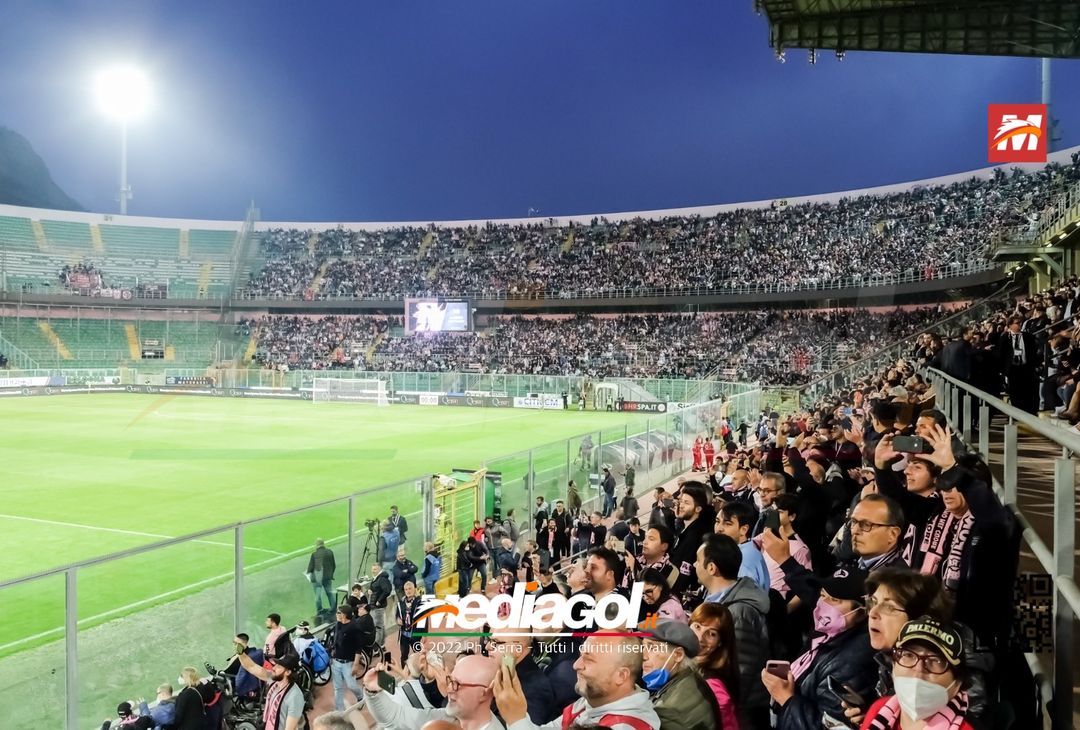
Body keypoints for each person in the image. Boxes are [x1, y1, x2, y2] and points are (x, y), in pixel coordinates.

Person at [761, 567, 877, 730]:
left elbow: (826, 726)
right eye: (823, 595)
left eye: (835, 599)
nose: (824, 604)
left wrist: (787, 699)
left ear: (863, 610)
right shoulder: (827, 635)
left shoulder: (853, 662)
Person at [492, 634, 662, 729]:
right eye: (581, 655)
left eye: (588, 659)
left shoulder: (626, 727)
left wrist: (516, 719)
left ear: (621, 676)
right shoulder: (591, 701)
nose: (575, 665)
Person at [695, 534, 770, 730]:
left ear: (711, 568)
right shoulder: (716, 603)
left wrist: (720, 710)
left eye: (698, 560)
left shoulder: (738, 611)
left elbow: (740, 671)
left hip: (741, 714)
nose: (695, 565)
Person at [859, 618, 976, 729]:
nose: (918, 669)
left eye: (936, 660)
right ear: (893, 665)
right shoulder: (878, 709)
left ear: (957, 684)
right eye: (908, 655)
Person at [364, 653, 503, 730]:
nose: (449, 689)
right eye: (450, 680)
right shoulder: (446, 717)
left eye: (457, 684)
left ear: (485, 692)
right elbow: (394, 717)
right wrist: (373, 691)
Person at [642, 620, 721, 730]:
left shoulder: (669, 712)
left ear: (678, 655)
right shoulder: (691, 677)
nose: (643, 656)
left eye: (653, 648)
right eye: (643, 647)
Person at [486, 630, 557, 724]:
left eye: (496, 642)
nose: (488, 647)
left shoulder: (535, 690)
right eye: (489, 640)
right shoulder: (507, 672)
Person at [690, 603, 742, 730]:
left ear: (720, 642)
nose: (700, 638)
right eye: (697, 626)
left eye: (712, 634)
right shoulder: (687, 661)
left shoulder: (713, 684)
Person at [236, 651, 306, 730]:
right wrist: (240, 652)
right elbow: (251, 667)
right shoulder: (274, 680)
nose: (273, 668)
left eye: (279, 666)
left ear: (288, 672)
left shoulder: (295, 697)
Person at [715, 501, 771, 592]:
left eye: (728, 524)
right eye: (717, 522)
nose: (719, 528)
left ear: (743, 529)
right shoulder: (738, 551)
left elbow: (744, 602)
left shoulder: (744, 559)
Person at [995, 314, 1040, 413]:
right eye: (1017, 323)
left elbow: (1033, 352)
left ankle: (1029, 411)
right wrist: (1002, 370)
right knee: (1015, 392)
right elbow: (1000, 355)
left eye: (1020, 323)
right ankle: (1018, 412)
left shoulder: (1028, 337)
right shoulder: (1005, 338)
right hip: (1012, 369)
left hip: (1025, 367)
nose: (1019, 325)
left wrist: (1035, 365)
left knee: (1028, 390)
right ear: (1010, 325)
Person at [328, 603, 367, 711]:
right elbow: (335, 641)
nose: (337, 614)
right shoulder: (338, 624)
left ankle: (361, 696)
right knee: (338, 688)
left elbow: (359, 647)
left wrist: (356, 664)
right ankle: (339, 711)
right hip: (336, 661)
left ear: (345, 615)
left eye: (339, 612)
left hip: (348, 663)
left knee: (351, 685)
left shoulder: (355, 627)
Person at [307, 538, 337, 618]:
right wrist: (330, 574)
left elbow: (310, 568)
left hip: (317, 579)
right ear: (323, 544)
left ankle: (320, 610)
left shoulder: (314, 554)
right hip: (327, 577)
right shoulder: (330, 552)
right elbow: (333, 565)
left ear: (317, 545)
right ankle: (333, 609)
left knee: (318, 595)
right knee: (330, 593)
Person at [396, 581, 424, 667]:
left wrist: (425, 634)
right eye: (406, 589)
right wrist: (397, 620)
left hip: (415, 633)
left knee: (418, 654)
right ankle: (405, 673)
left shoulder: (419, 602)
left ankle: (422, 671)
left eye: (410, 589)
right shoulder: (400, 603)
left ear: (415, 589)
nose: (408, 591)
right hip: (404, 634)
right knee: (404, 655)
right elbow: (397, 614)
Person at [369, 563, 393, 648]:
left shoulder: (382, 579)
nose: (373, 571)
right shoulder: (378, 578)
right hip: (377, 606)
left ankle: (376, 648)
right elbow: (378, 589)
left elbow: (387, 590)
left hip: (378, 607)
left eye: (375, 569)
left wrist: (379, 601)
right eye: (372, 569)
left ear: (379, 569)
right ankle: (382, 645)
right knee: (381, 626)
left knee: (378, 627)